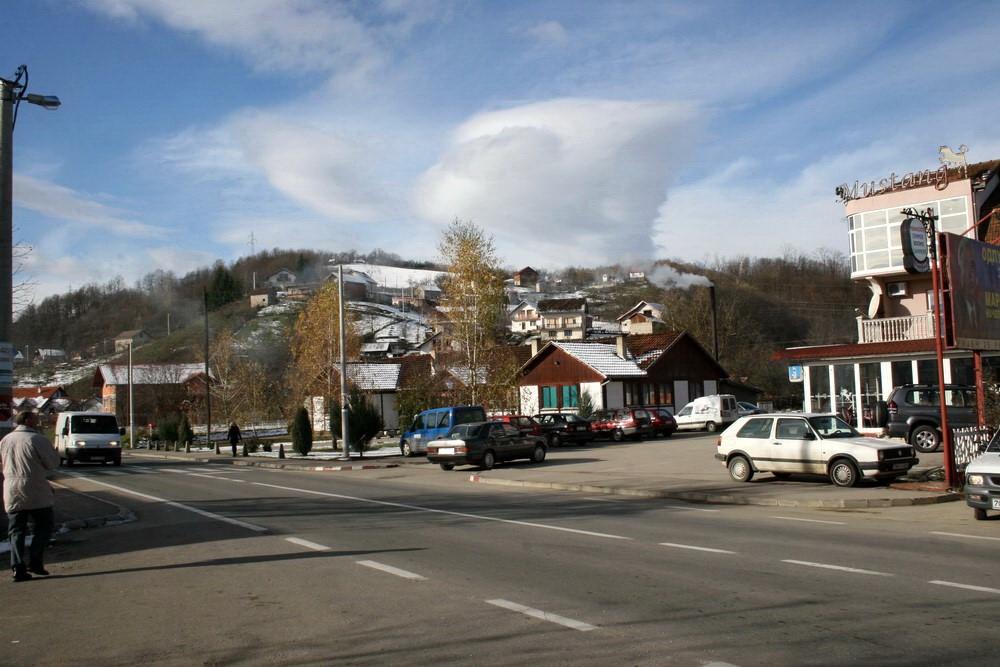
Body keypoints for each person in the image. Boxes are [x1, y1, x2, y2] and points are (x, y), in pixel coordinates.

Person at [1, 411, 60, 582]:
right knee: (44, 525)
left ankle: (17, 567)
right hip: (35, 486)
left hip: (11, 487)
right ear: (28, 421)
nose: (38, 421)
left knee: (16, 530)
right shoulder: (37, 439)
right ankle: (35, 561)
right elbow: (52, 463)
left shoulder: (6, 440)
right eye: (35, 418)